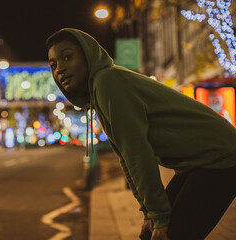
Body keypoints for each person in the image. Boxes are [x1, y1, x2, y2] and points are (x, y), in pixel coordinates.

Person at [46, 28, 236, 240]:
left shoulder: (108, 81)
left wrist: (159, 216)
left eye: (67, 57)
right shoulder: (100, 89)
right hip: (197, 161)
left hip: (220, 155)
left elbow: (137, 153)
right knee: (152, 234)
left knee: (172, 234)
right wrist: (149, 212)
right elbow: (126, 157)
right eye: (53, 65)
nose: (59, 69)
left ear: (88, 55)